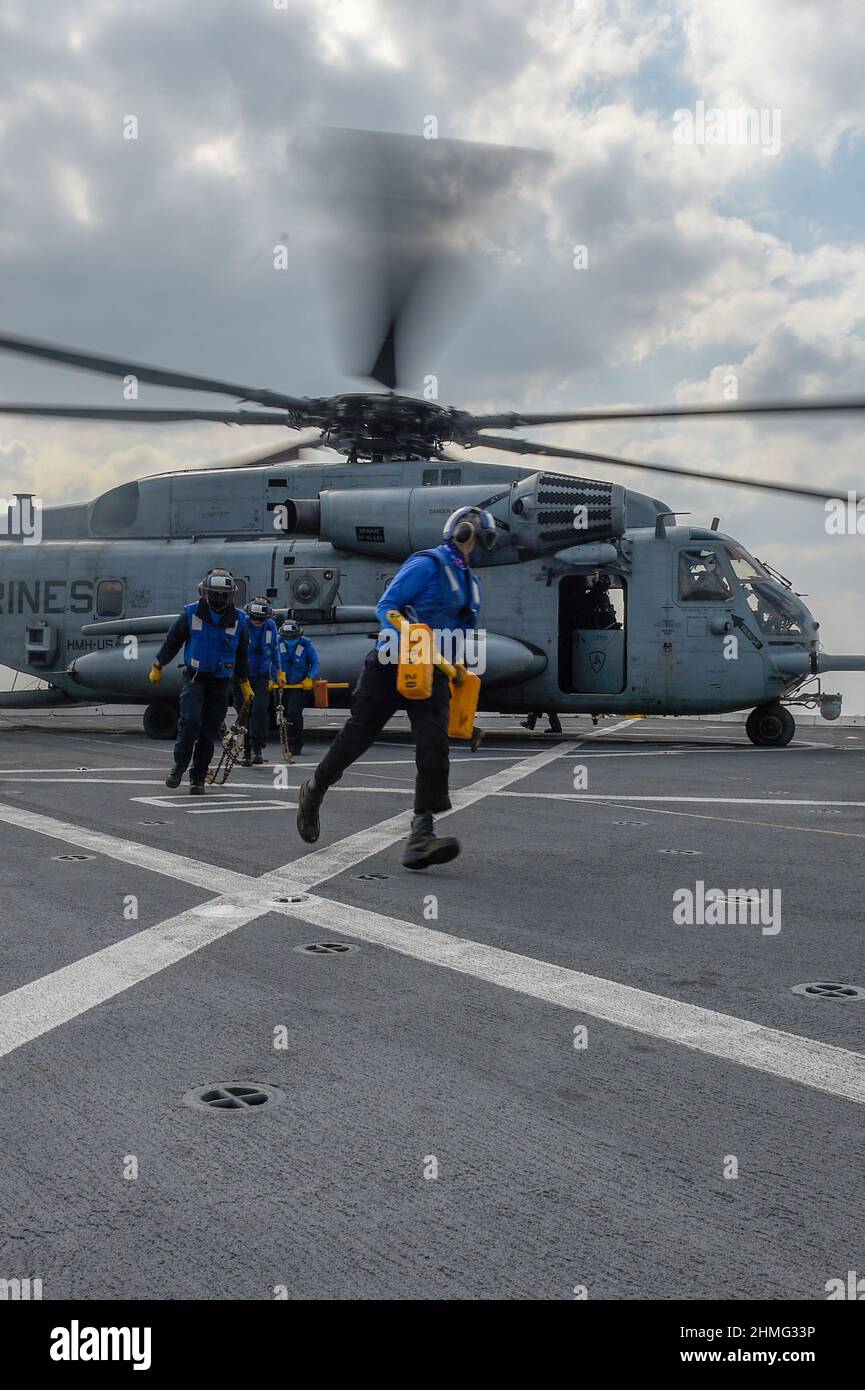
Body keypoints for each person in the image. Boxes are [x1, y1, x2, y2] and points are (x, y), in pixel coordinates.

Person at [296, 506, 497, 870]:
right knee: (359, 734)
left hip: (434, 671)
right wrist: (414, 638)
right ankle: (315, 788)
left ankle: (421, 835)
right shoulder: (428, 564)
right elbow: (387, 607)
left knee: (434, 747)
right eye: (482, 538)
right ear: (465, 533)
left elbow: (458, 638)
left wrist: (462, 703)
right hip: (393, 663)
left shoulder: (472, 584)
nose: (483, 547)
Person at [149, 568, 253, 794]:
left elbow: (242, 653)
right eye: (215, 594)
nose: (219, 599)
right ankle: (179, 766)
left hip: (219, 682)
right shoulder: (191, 613)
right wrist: (159, 664)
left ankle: (198, 778)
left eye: (223, 595)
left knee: (209, 731)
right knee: (190, 722)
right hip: (195, 678)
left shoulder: (240, 620)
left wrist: (244, 682)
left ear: (231, 595)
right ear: (205, 592)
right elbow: (172, 641)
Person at [241, 597, 283, 766]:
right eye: (254, 618)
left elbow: (274, 649)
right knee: (244, 712)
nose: (257, 621)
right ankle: (245, 750)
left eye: (260, 619)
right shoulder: (243, 624)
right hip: (243, 675)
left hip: (261, 674)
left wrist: (278, 671)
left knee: (259, 710)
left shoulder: (270, 626)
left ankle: (257, 748)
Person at [277, 616, 321, 756]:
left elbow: (315, 663)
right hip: (281, 686)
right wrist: (274, 677)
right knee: (282, 714)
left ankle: (295, 744)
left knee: (294, 714)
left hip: (298, 686)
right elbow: (270, 660)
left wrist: (309, 678)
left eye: (293, 637)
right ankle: (285, 742)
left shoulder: (306, 644)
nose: (289, 639)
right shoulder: (277, 643)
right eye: (287, 637)